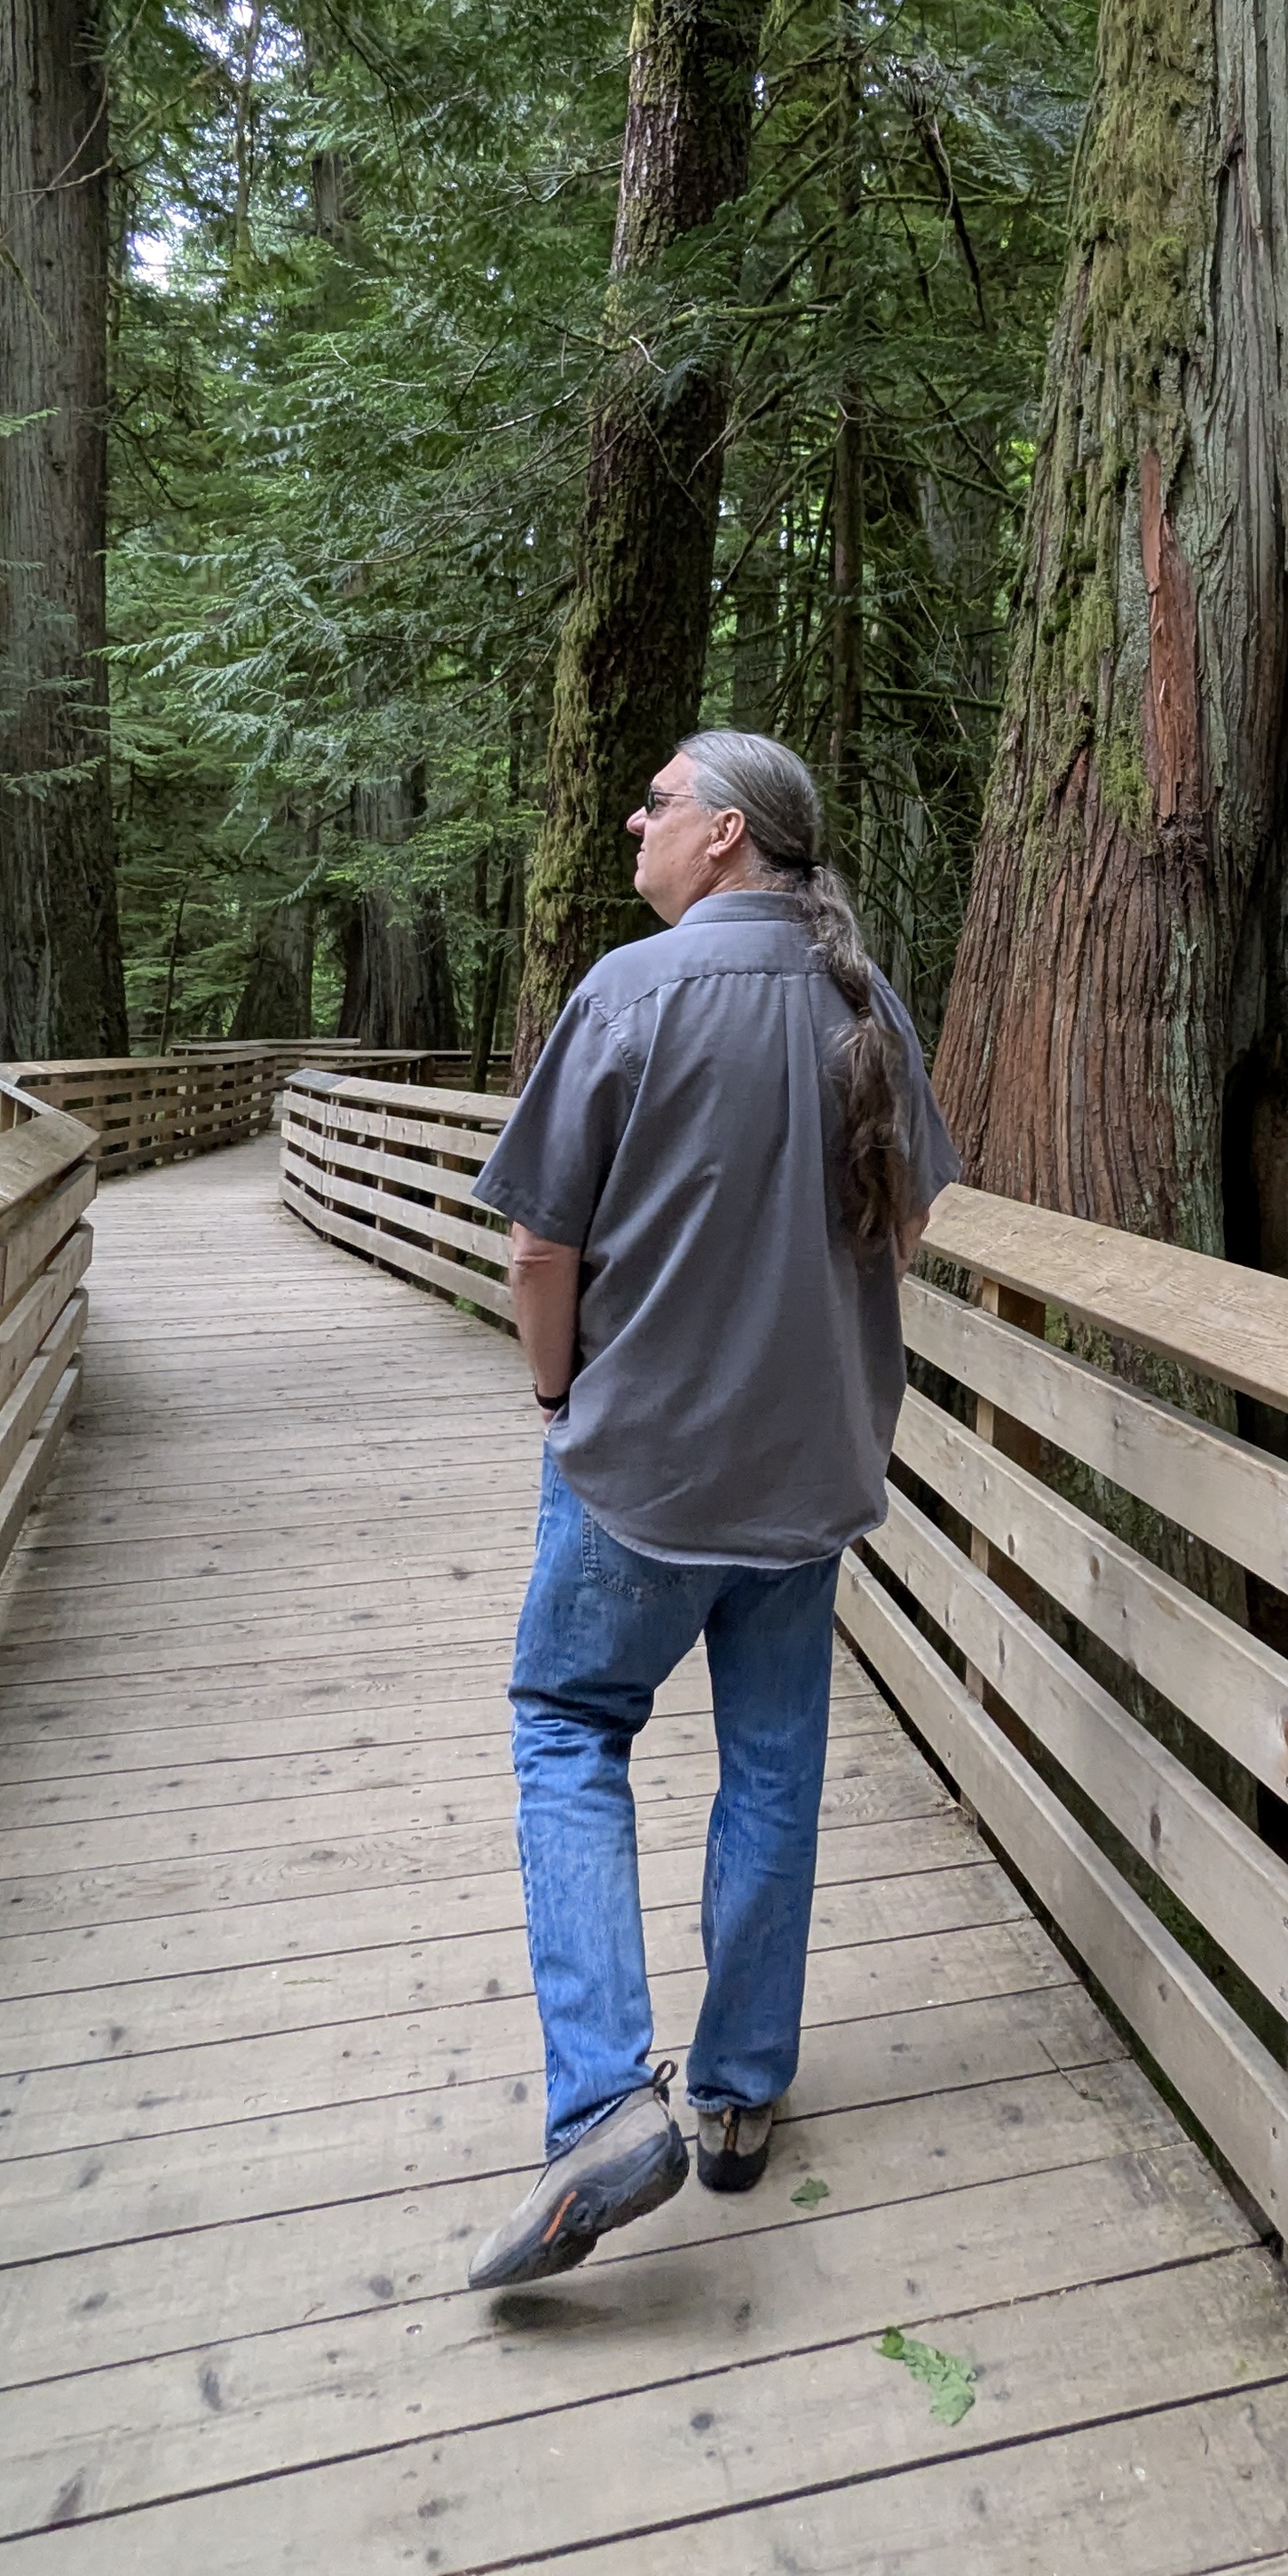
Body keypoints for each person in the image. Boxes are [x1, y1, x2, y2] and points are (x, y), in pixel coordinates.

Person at [462, 729, 960, 2290]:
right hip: (808, 1476)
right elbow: (912, 1217)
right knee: (772, 1772)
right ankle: (739, 2100)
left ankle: (610, 2098)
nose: (638, 817)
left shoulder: (630, 990)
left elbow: (542, 1250)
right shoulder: (861, 1002)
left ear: (728, 835)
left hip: (643, 1468)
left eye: (661, 801)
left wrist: (556, 1396)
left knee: (567, 1723)